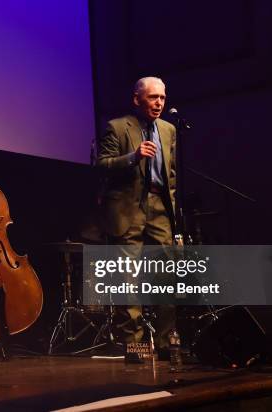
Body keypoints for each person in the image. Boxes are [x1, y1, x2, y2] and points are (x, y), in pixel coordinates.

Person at [96, 76, 176, 352]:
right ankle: (134, 345)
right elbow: (102, 165)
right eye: (153, 97)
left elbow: (172, 177)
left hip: (159, 207)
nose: (159, 103)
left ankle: (167, 343)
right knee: (129, 278)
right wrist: (134, 156)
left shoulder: (168, 130)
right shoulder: (117, 127)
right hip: (128, 208)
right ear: (137, 99)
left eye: (163, 98)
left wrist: (173, 216)